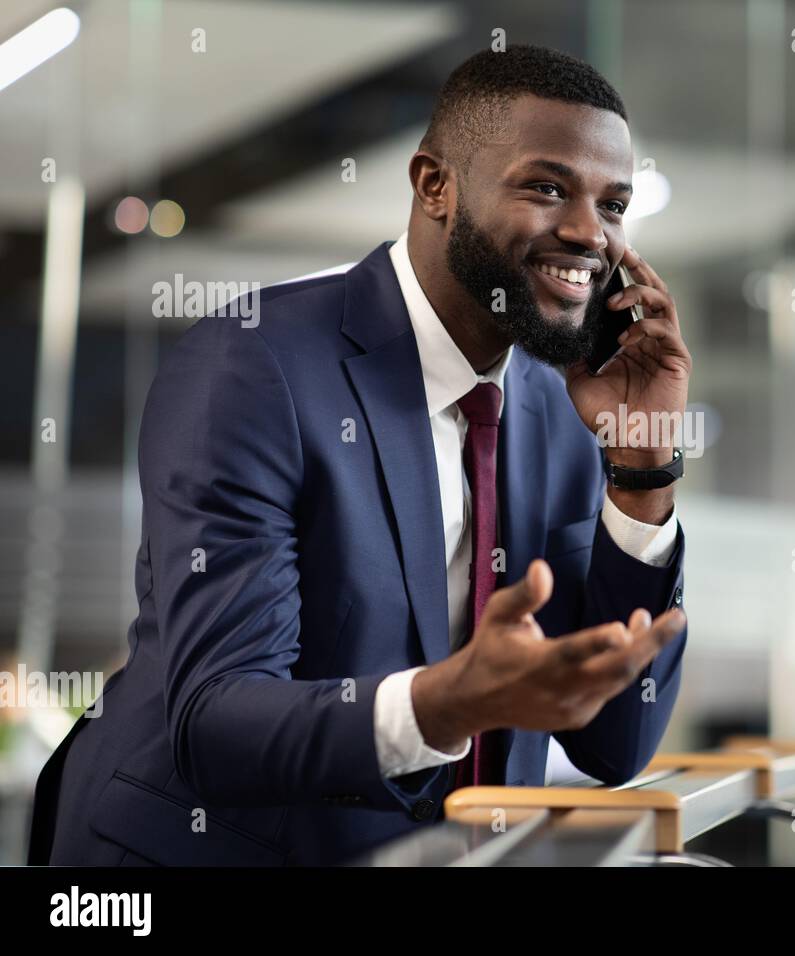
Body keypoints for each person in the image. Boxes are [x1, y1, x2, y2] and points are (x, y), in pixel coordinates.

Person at [29, 44, 690, 866]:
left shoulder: (563, 413)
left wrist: (642, 472)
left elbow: (614, 746)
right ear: (433, 186)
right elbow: (217, 722)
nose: (592, 232)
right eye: (547, 187)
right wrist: (447, 705)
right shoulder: (254, 366)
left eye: (614, 203)